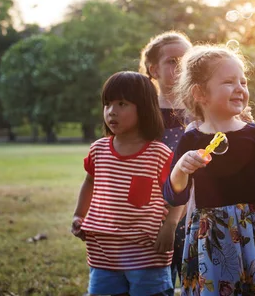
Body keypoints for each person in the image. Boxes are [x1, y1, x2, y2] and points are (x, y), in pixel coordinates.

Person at [139, 31, 255, 290]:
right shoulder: (191, 138)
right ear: (200, 93)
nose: (240, 88)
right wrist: (181, 168)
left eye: (243, 82)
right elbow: (174, 194)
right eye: (229, 82)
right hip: (214, 235)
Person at [71, 71, 184, 296]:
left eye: (122, 103)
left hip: (147, 254)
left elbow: (178, 192)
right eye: (107, 104)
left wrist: (170, 225)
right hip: (103, 253)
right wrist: (79, 215)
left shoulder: (158, 154)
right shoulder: (98, 150)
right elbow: (89, 183)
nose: (112, 111)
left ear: (143, 108)